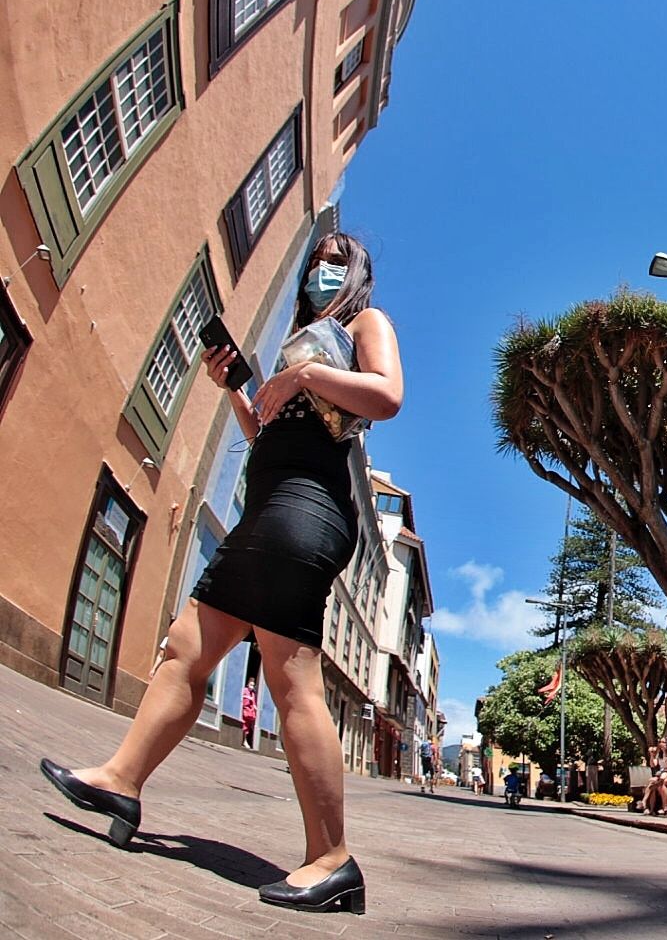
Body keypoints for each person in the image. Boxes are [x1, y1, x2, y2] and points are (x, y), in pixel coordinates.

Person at [39, 233, 402, 917]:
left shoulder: (362, 326)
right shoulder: (303, 339)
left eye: (336, 259)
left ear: (355, 274)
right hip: (270, 506)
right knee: (187, 649)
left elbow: (386, 397)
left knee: (290, 678)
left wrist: (301, 376)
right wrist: (240, 388)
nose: (323, 269)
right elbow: (269, 431)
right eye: (317, 259)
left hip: (308, 510)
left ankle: (333, 860)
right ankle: (121, 779)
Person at [241, 679, 259, 748]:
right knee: (244, 726)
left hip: (250, 712)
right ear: (248, 684)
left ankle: (244, 740)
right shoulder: (244, 690)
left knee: (247, 727)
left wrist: (256, 709)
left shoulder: (253, 694)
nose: (252, 687)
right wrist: (247, 697)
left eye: (253, 685)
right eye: (251, 685)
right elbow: (242, 698)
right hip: (244, 710)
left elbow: (254, 703)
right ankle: (243, 740)